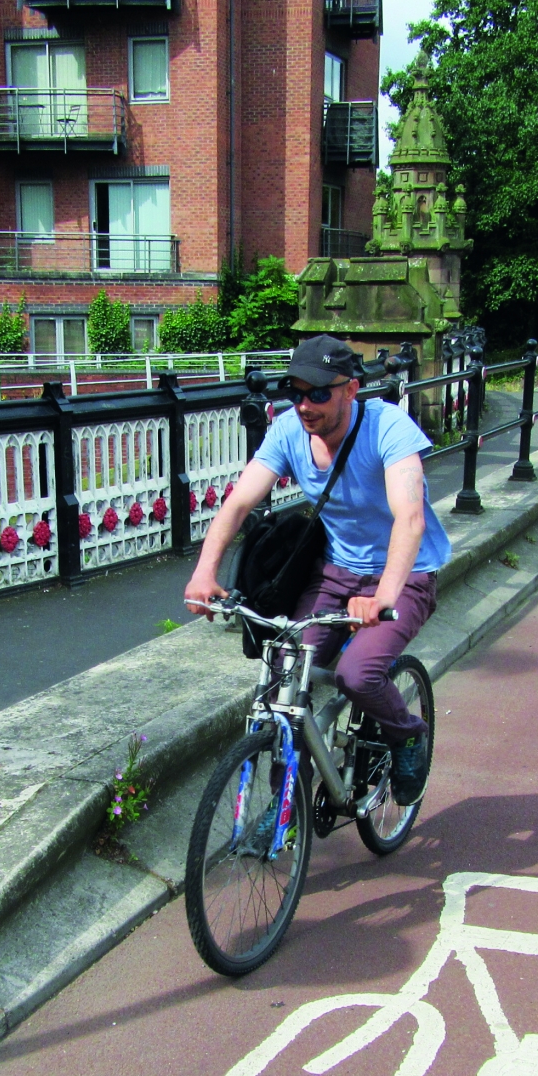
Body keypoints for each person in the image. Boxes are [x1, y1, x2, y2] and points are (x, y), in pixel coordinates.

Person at [185, 334, 450, 806]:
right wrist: (205, 573)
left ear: (350, 389)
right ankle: (286, 809)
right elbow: (239, 502)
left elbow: (410, 520)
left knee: (357, 674)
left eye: (319, 393)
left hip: (406, 576)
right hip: (336, 572)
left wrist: (384, 596)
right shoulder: (289, 431)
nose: (305, 405)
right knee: (285, 682)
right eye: (296, 392)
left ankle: (408, 733)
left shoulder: (389, 428)